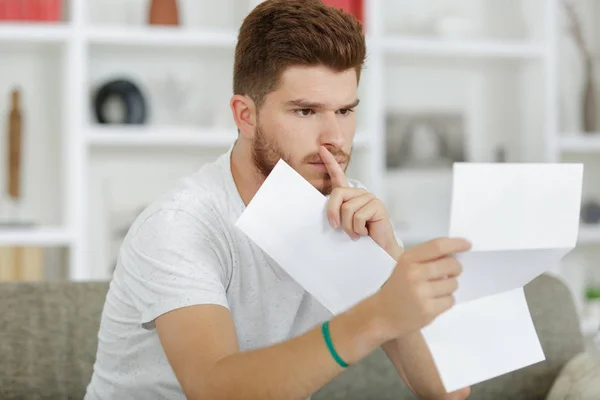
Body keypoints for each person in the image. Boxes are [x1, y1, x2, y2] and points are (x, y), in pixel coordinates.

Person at [84, 1, 472, 399]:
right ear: (245, 115)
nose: (334, 138)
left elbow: (449, 393)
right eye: (306, 111)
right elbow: (214, 391)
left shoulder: (349, 211)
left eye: (344, 111)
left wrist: (386, 259)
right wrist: (373, 315)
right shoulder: (180, 224)